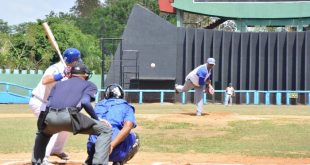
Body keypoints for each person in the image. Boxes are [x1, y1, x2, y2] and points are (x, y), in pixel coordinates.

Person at [31, 62, 112, 165]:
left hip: (49, 116)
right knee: (105, 130)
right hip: (69, 117)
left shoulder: (58, 84)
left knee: (43, 133)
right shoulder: (89, 85)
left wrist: (43, 122)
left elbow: (49, 104)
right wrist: (97, 118)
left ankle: (36, 162)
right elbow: (85, 102)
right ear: (85, 75)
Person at [29, 48, 82, 162]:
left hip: (51, 105)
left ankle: (56, 150)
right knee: (52, 127)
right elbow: (45, 80)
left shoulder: (70, 71)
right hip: (40, 102)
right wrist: (61, 74)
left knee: (66, 124)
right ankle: (42, 158)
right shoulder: (55, 68)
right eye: (76, 60)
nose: (78, 62)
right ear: (72, 60)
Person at [85, 84, 139, 165]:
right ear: (121, 94)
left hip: (94, 151)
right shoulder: (126, 106)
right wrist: (112, 145)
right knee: (135, 137)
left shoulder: (98, 106)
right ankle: (119, 161)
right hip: (114, 152)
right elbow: (128, 126)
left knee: (94, 132)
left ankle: (90, 158)